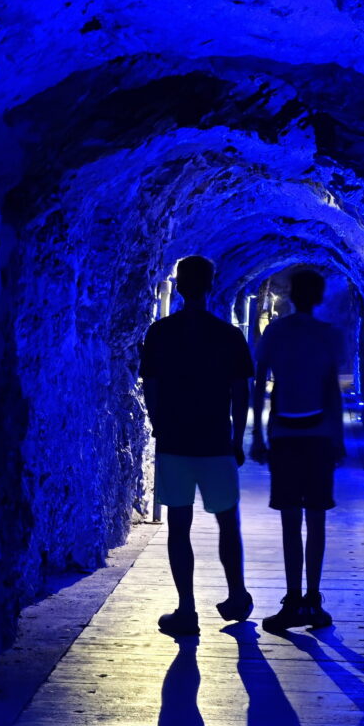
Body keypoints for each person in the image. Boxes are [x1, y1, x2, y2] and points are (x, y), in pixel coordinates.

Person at [141, 255, 254, 637]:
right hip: (215, 441)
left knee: (178, 525)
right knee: (227, 524)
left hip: (175, 440)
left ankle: (186, 609)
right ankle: (236, 595)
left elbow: (151, 387)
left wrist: (159, 426)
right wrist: (237, 439)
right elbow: (241, 393)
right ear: (210, 285)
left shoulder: (160, 333)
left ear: (179, 284)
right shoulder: (228, 336)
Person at [250, 268, 344, 632]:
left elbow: (260, 385)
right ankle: (313, 600)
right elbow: (331, 391)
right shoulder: (327, 336)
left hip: (286, 435)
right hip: (319, 434)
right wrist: (336, 439)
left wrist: (257, 434)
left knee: (291, 520)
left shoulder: (275, 332)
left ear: (289, 295)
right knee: (316, 519)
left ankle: (293, 599)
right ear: (318, 298)